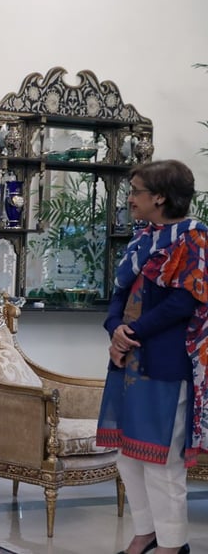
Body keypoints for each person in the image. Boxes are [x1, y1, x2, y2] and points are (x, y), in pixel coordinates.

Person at [97, 160, 206, 554]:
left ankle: (173, 544)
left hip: (165, 362)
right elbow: (120, 293)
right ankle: (147, 532)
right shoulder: (143, 239)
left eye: (136, 191)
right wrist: (115, 328)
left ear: (159, 197)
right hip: (127, 361)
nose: (131, 198)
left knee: (162, 461)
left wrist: (132, 333)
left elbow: (183, 300)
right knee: (128, 456)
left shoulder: (193, 240)